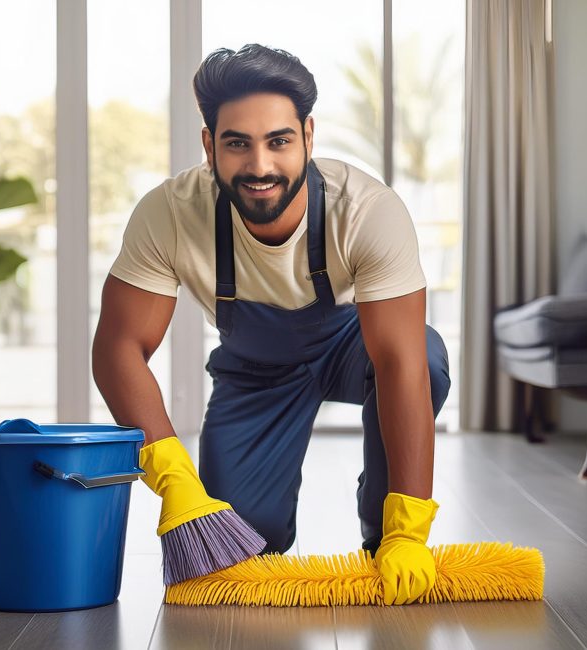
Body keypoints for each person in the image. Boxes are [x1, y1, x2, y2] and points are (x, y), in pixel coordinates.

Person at [93, 44, 451, 604]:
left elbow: (401, 361)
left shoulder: (366, 210)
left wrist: (409, 526)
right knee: (245, 544)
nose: (260, 166)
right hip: (253, 370)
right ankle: (253, 524)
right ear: (210, 145)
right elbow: (118, 348)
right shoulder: (169, 213)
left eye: (279, 141)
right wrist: (172, 477)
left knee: (423, 356)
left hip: (353, 347)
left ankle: (385, 530)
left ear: (308, 137)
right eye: (238, 143)